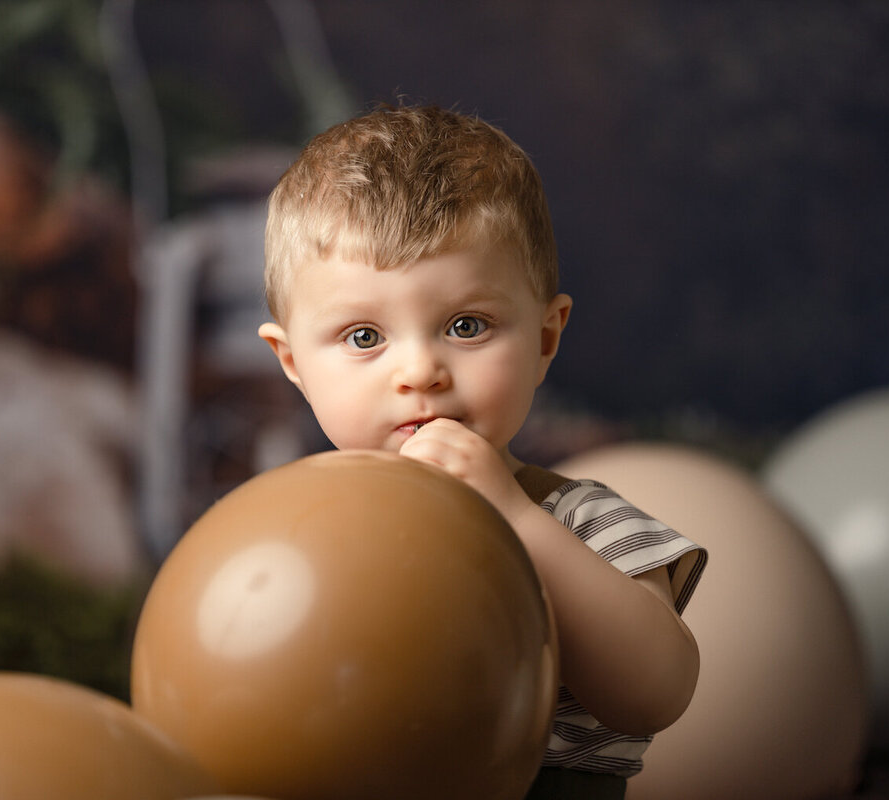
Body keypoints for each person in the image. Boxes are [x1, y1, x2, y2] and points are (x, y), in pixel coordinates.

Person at [257, 104, 707, 799]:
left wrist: (515, 520)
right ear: (292, 362)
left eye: (466, 326)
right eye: (364, 337)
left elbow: (657, 694)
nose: (419, 372)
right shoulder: (291, 532)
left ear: (544, 340)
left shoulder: (577, 521)